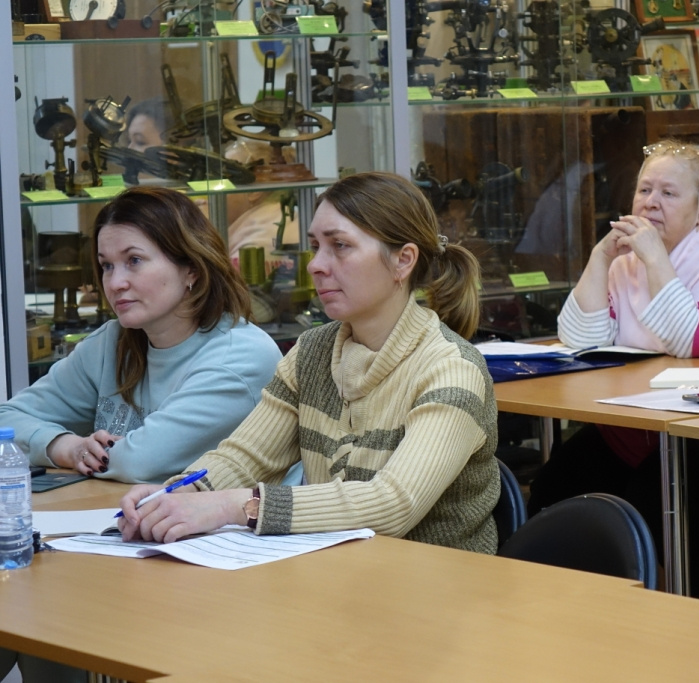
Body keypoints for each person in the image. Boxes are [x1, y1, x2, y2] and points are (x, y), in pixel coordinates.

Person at [116, 172, 500, 554]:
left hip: (438, 583)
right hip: (338, 572)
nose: (315, 265)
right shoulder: (313, 352)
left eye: (340, 246)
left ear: (403, 260)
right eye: (316, 246)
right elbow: (247, 456)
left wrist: (235, 506)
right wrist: (178, 494)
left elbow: (393, 504)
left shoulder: (451, 369)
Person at [0, 186, 282, 683]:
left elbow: (141, 460)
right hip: (121, 550)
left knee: (43, 610)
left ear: (191, 269)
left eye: (134, 261)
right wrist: (64, 445)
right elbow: (8, 418)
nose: (116, 282)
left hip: (215, 580)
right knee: (27, 605)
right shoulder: (115, 341)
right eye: (106, 266)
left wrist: (74, 450)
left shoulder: (240, 355)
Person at [527, 140, 699, 600]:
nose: (651, 203)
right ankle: (565, 605)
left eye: (668, 193)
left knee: (657, 492)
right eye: (644, 190)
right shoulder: (625, 256)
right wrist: (601, 258)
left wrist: (655, 257)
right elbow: (582, 339)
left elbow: (691, 341)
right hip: (640, 425)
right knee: (557, 482)